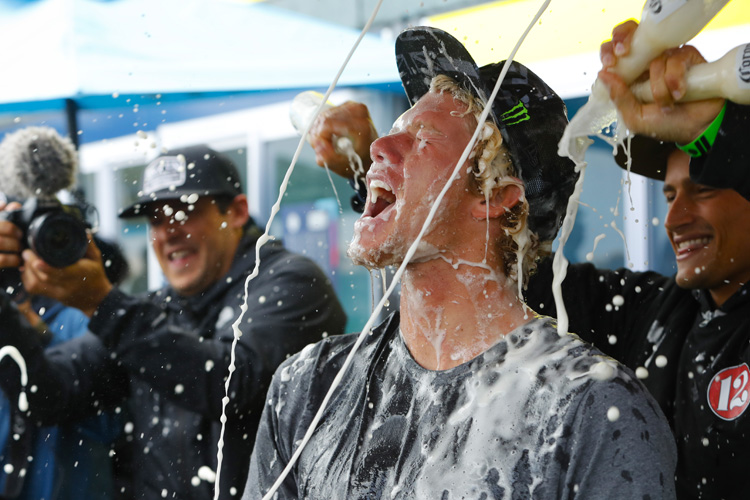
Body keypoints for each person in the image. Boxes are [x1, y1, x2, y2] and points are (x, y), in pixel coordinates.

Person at [245, 26, 676, 499]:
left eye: (422, 138)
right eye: (391, 134)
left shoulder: (587, 409)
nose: (377, 148)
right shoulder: (308, 390)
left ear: (498, 199)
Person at [0, 144, 348, 499]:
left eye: (183, 213)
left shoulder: (293, 281)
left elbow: (233, 387)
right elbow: (47, 395)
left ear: (238, 211)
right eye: (155, 220)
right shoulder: (159, 308)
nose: (167, 232)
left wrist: (102, 304)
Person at [524, 21, 750, 499]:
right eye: (669, 195)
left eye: (704, 189)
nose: (676, 217)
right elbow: (521, 285)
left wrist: (715, 134)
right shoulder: (654, 312)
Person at [0, 127, 125, 500]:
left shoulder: (86, 315)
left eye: (55, 233)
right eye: (21, 232)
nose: (40, 244)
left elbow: (106, 422)